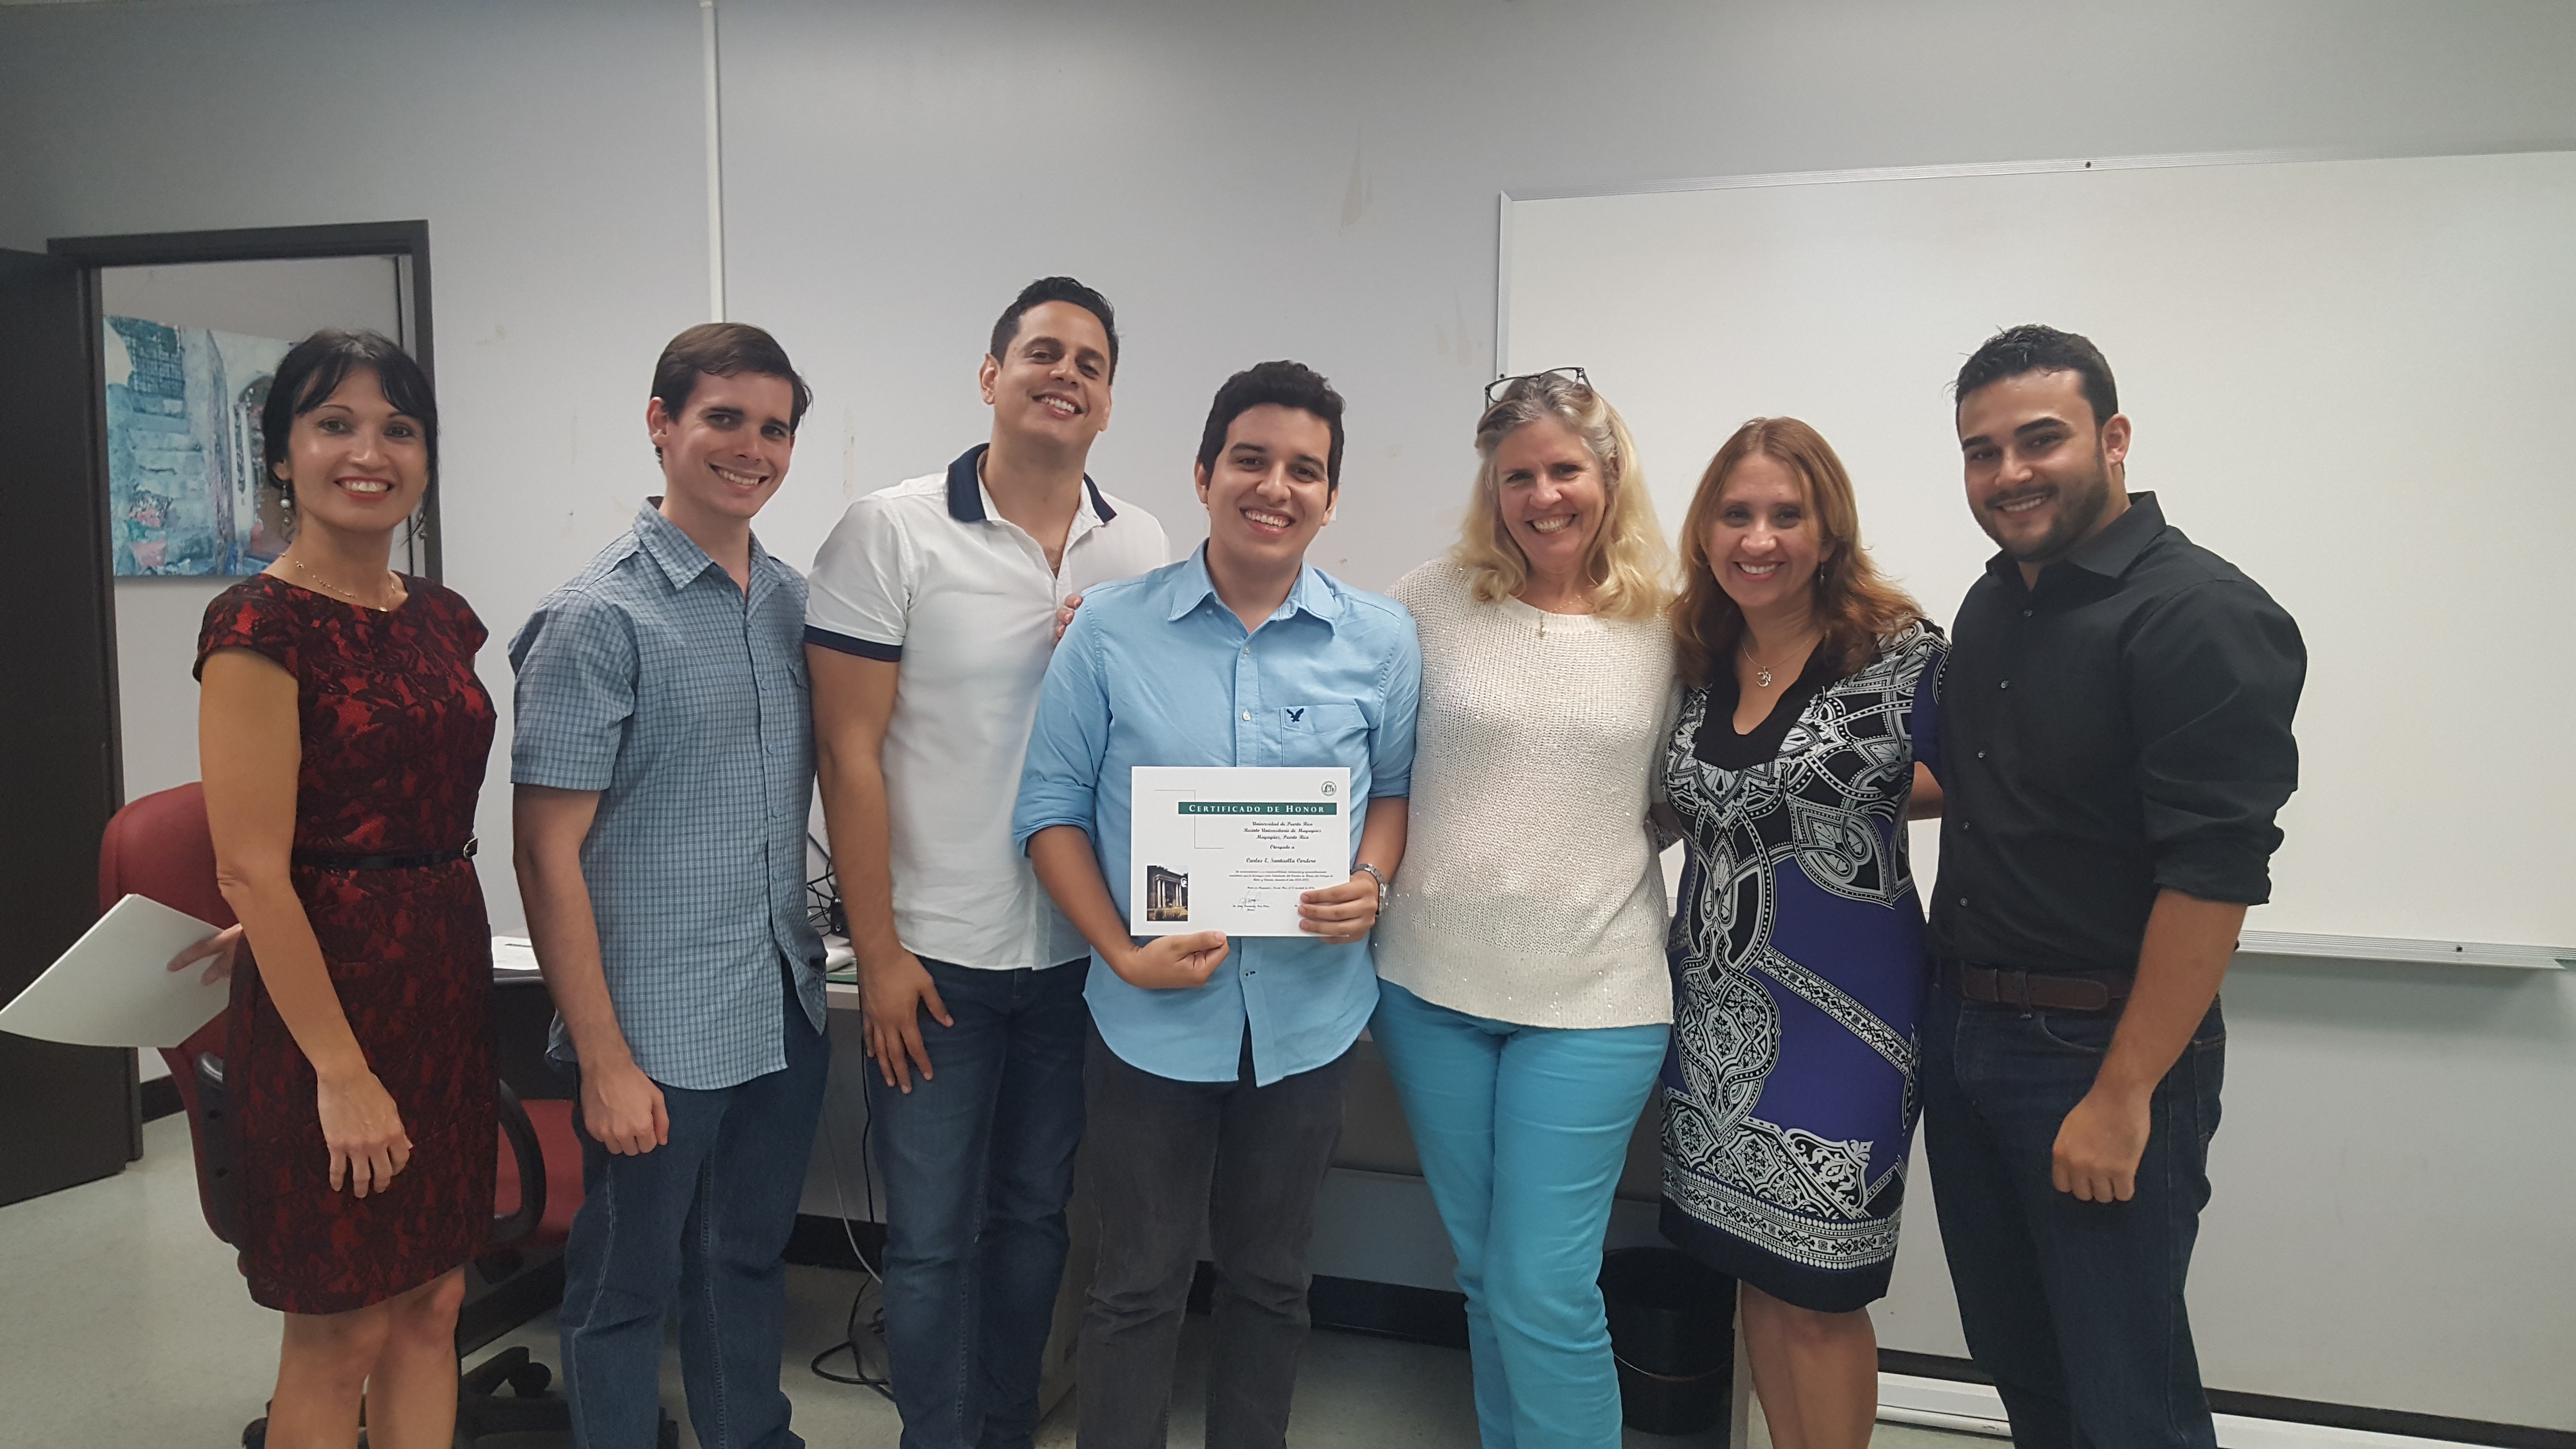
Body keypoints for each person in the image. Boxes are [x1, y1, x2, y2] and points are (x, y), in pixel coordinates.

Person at [1012, 361, 1419, 1449]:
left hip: (1306, 1016)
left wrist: (1370, 882)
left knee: (1272, 1284)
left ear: (1330, 498)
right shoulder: (1107, 630)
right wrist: (1120, 951)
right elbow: (1048, 812)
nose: (1274, 487)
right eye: (1250, 459)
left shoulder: (1380, 641)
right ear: (1203, 474)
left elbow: (1391, 794)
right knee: (1135, 1288)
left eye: (1304, 470)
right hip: (1148, 1018)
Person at [1923, 324, 2304, 1449]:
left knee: (2125, 1391)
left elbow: (2212, 876)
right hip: (1965, 1035)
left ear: (2115, 437)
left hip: (2094, 1053)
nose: (2008, 474)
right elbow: (1985, 787)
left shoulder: (2199, 616)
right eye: (1980, 451)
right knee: (2023, 1369)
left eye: (2039, 440)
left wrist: (2124, 1093)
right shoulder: (1998, 602)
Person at [805, 276, 1167, 1449]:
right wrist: (879, 954)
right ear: (990, 376)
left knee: (1034, 1224)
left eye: (1091, 364)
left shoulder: (1143, 545)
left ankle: (1003, 1430)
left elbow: (1150, 746)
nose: (1066, 375)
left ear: (1108, 402)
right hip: (935, 961)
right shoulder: (890, 528)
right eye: (1042, 353)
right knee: (930, 1239)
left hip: (1077, 956)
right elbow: (847, 757)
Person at [510, 322, 830, 1449]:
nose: (751, 449)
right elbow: (544, 853)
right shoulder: (600, 617)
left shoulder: (792, 604)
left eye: (774, 428)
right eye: (723, 419)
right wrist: (601, 1060)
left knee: (742, 1263)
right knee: (623, 1291)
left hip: (778, 1008)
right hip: (650, 1032)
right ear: (662, 425)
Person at [192, 329, 496, 1449]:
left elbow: (390, 806)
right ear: (281, 455)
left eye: (398, 429)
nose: (370, 451)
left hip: (441, 973)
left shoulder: (442, 617)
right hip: (336, 1024)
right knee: (338, 1336)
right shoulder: (256, 626)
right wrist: (340, 1072)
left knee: (434, 1304)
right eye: (335, 425)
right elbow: (249, 866)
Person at [1367, 370, 1677, 1449]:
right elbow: (1326, 697)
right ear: (1490, 489)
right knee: (1483, 1272)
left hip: (1595, 998)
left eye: (1563, 470)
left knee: (1544, 1286)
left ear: (1608, 473)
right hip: (1430, 989)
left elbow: (1690, 786)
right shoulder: (1429, 601)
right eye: (1517, 478)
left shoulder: (1673, 623)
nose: (1543, 496)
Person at [1658, 417, 1945, 1449]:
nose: (1760, 537)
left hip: (1851, 1025)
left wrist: (1852, 806)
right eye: (1735, 514)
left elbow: (1993, 779)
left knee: (1823, 1296)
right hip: (1715, 1013)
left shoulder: (1899, 656)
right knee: (1757, 1278)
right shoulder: (1694, 657)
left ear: (1829, 534)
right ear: (1704, 532)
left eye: (1788, 514)